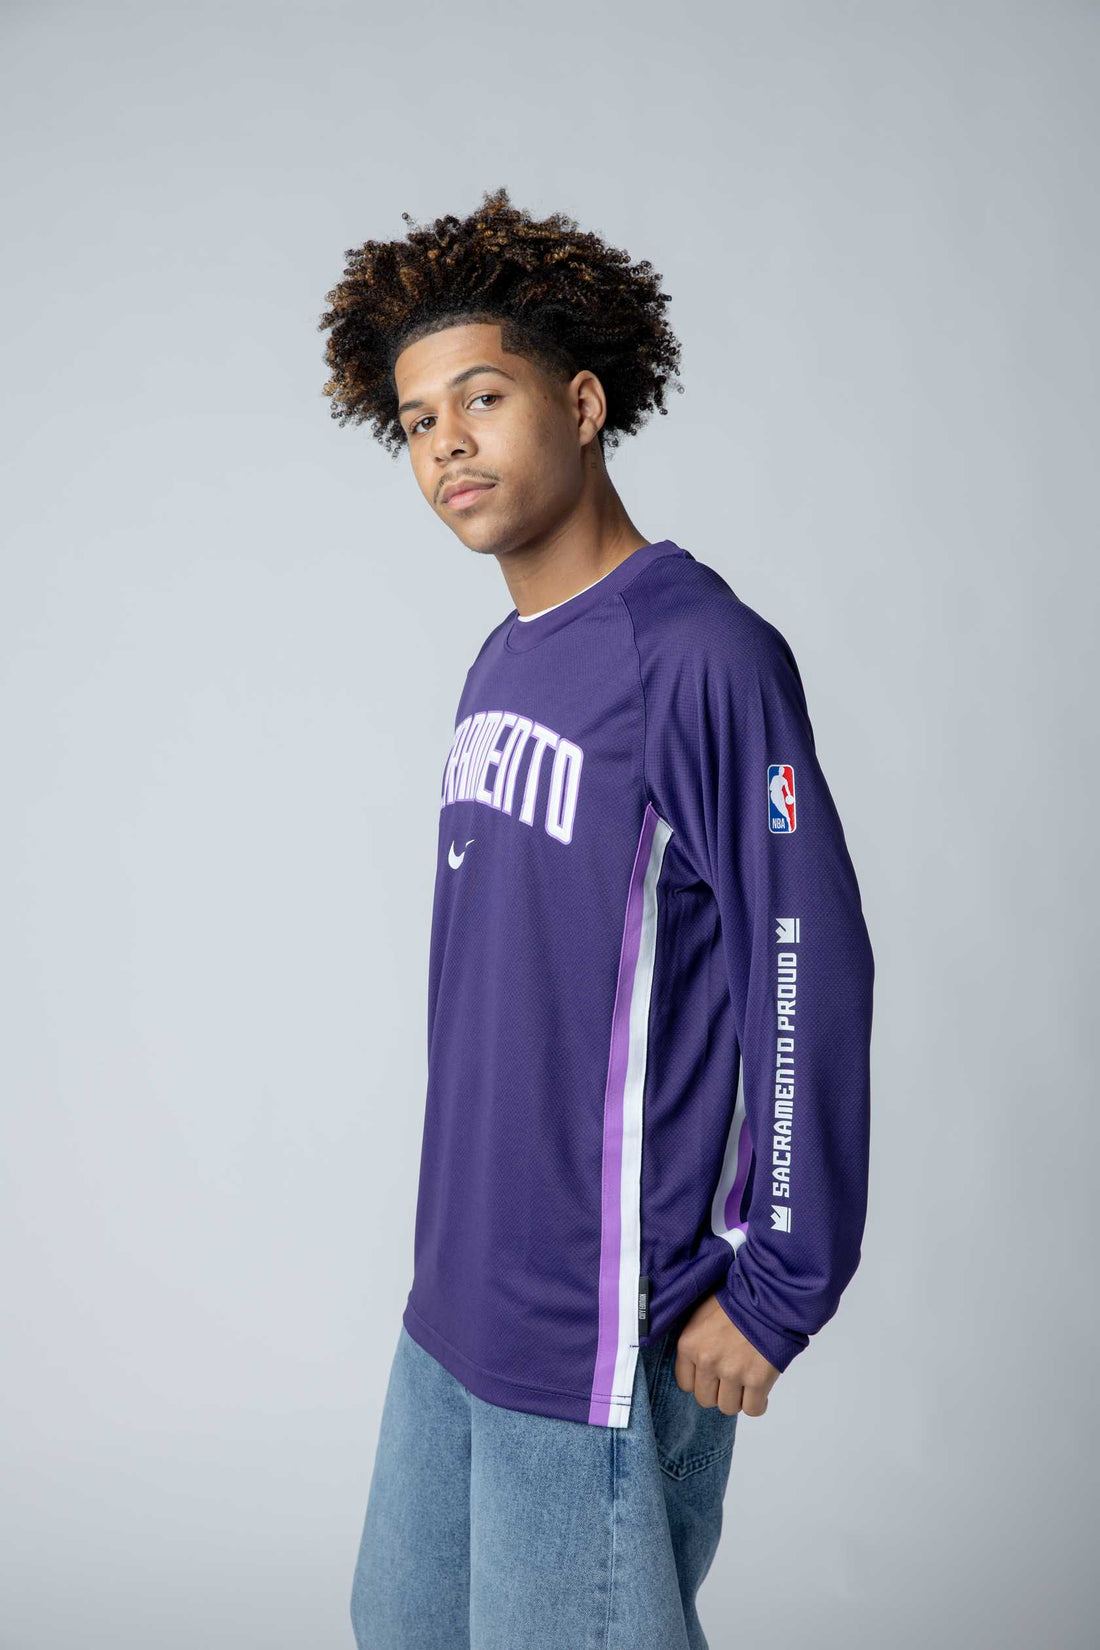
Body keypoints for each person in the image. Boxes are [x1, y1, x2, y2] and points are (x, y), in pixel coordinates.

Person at [318, 186, 875, 1650]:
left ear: (581, 403)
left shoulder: (698, 653)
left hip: (597, 1333)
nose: (446, 442)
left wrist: (779, 1283)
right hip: (456, 1303)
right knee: (399, 1624)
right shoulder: (501, 660)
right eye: (417, 420)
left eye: (481, 397)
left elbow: (805, 955)